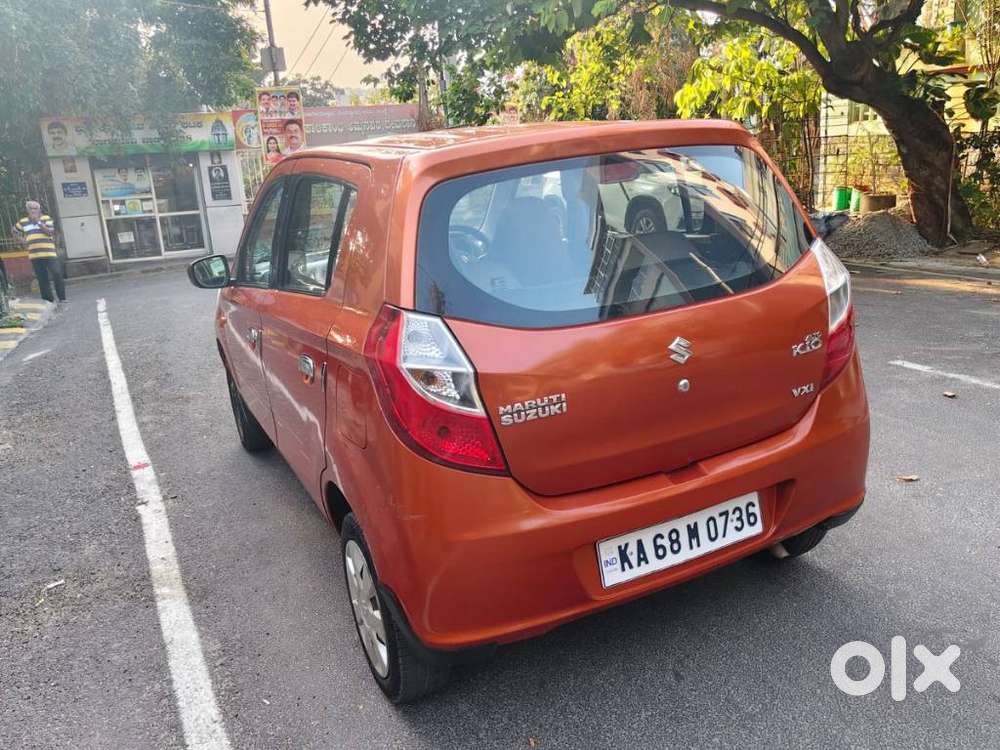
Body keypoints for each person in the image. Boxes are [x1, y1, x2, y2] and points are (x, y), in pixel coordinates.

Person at [12, 200, 65, 303]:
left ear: (39, 209)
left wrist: (38, 222)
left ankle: (62, 298)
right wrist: (22, 240)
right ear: (27, 210)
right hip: (35, 254)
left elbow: (50, 232)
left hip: (49, 253)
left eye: (35, 208)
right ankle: (48, 300)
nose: (33, 210)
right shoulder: (23, 221)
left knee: (57, 273)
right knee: (42, 277)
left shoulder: (46, 218)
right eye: (30, 208)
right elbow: (14, 231)